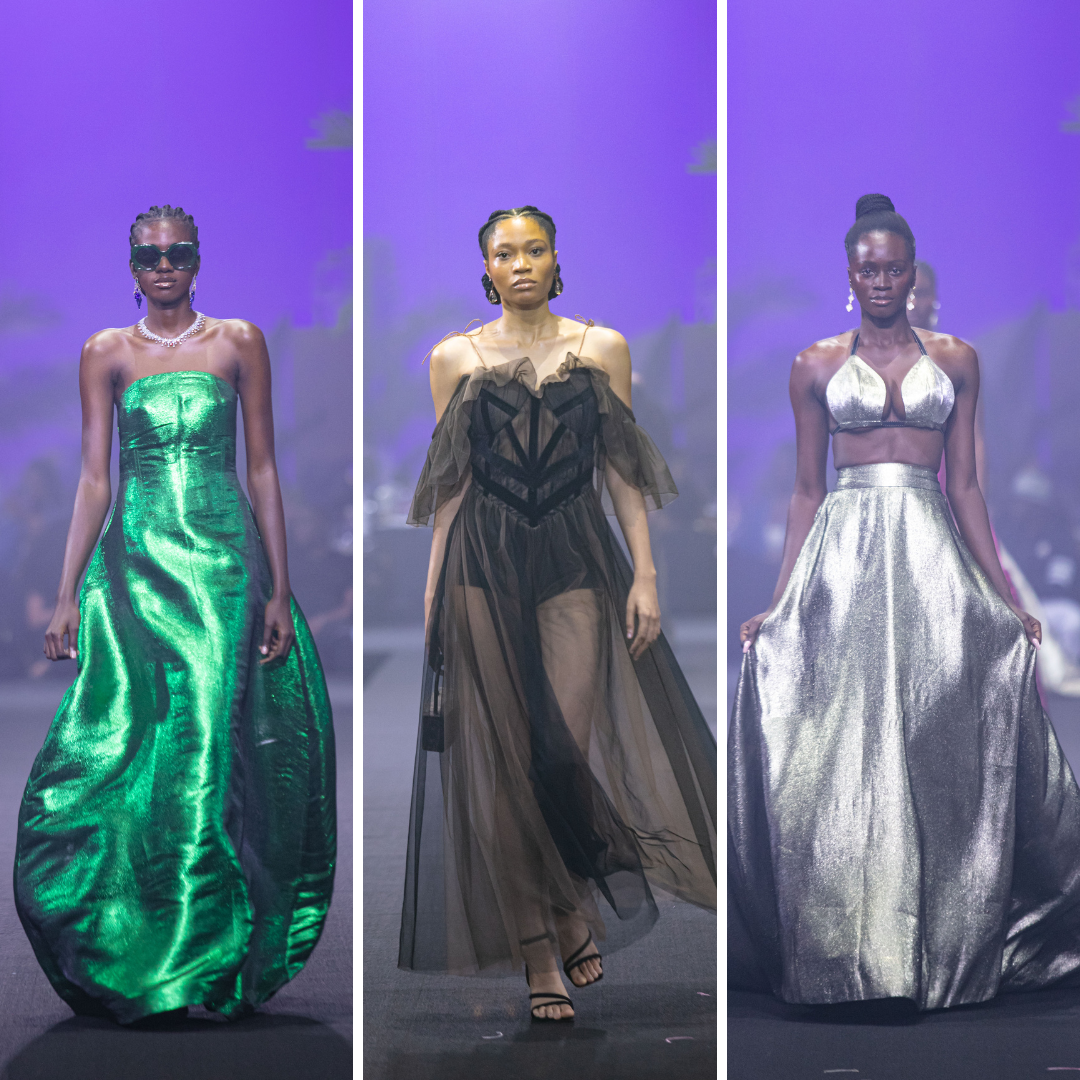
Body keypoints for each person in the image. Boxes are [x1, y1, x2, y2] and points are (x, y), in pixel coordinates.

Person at [729, 194, 1080, 1010]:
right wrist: (780, 602)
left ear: (911, 273)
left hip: (929, 551)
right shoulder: (814, 364)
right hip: (844, 556)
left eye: (894, 270)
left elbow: (966, 486)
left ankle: (944, 937)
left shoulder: (957, 360)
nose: (882, 281)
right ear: (850, 275)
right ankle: (848, 947)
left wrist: (1002, 595)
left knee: (934, 734)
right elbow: (807, 491)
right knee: (843, 746)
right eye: (868, 270)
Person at [13, 205, 336, 1025]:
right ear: (132, 265)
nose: (164, 266)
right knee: (128, 747)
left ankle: (205, 956)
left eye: (178, 253)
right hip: (134, 567)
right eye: (151, 255)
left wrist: (279, 587)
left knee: (210, 749)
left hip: (224, 568)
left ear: (198, 260)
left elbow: (262, 468)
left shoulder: (239, 341)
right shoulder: (105, 352)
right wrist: (66, 591)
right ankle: (135, 944)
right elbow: (95, 478)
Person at [400, 206, 716, 1022]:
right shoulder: (455, 357)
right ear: (486, 268)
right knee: (505, 763)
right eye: (505, 253)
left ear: (554, 258)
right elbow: (450, 485)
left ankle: (570, 900)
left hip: (575, 558)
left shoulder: (601, 348)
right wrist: (433, 594)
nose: (521, 264)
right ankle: (539, 946)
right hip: (482, 565)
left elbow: (622, 470)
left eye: (534, 249)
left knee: (560, 754)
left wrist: (645, 574)